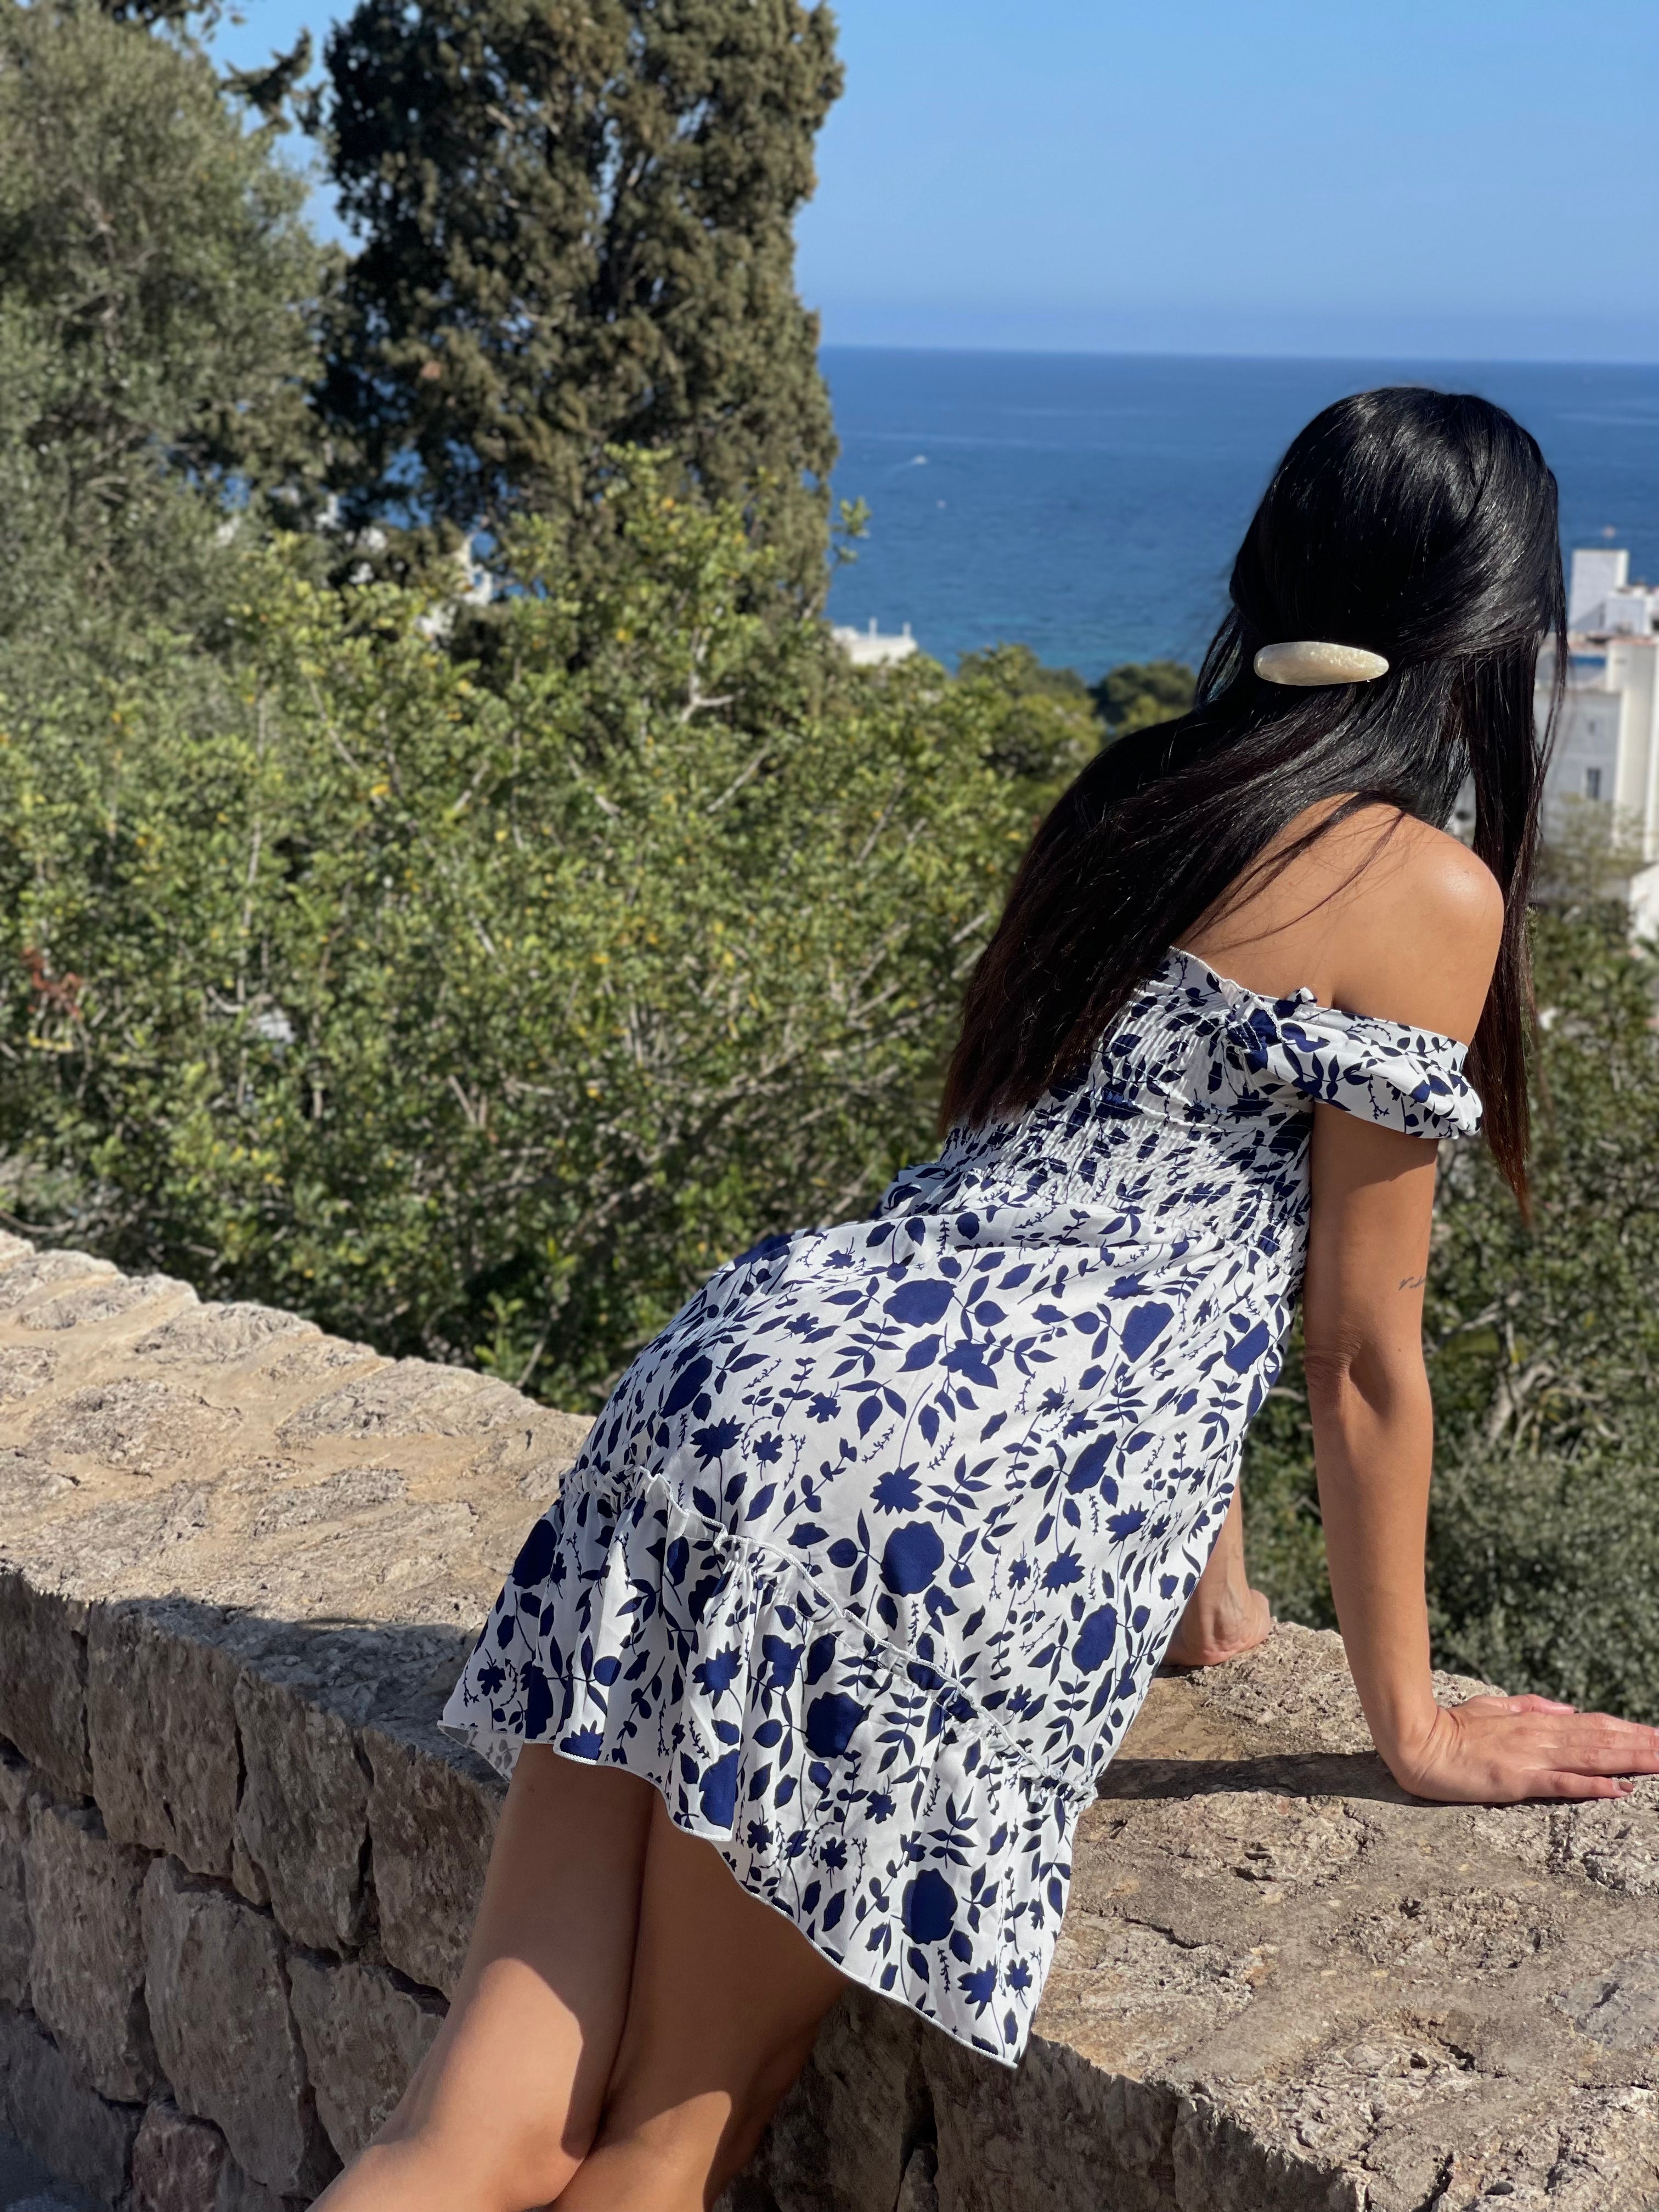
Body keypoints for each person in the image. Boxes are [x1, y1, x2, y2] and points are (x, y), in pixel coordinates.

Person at [315, 388, 1659, 2212]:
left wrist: (1208, 1592)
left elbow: (1126, 1221)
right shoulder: (1424, 887)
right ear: (1490, 630)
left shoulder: (1136, 794)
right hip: (919, 1499)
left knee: (475, 2131)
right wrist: (1409, 1726)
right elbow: (1352, 1350)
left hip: (728, 1381)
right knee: (667, 2139)